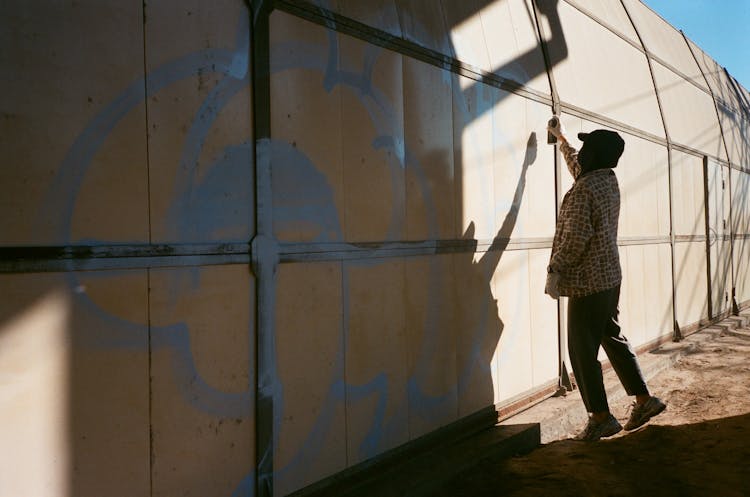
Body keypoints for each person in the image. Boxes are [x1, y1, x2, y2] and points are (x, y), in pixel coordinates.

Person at [545, 117, 666, 441]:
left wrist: (555, 270)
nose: (580, 152)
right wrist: (562, 139)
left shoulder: (584, 191)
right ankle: (644, 399)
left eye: (585, 148)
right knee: (611, 335)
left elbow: (574, 239)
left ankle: (600, 417)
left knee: (581, 351)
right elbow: (578, 166)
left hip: (588, 284)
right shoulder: (606, 180)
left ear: (594, 155)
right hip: (610, 277)